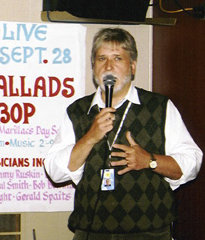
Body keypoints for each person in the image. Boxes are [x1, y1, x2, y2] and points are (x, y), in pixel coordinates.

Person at [44, 28, 202, 240]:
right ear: (93, 67)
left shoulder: (159, 107)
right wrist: (90, 137)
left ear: (133, 66)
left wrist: (150, 161)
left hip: (149, 232)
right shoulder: (78, 111)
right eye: (102, 58)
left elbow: (191, 163)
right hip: (91, 232)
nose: (108, 67)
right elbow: (56, 172)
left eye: (117, 58)